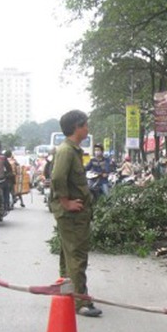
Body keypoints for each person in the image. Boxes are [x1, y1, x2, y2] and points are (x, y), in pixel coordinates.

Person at [50, 110, 102, 317]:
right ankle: (80, 302)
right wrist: (66, 202)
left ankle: (68, 293)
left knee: (68, 255)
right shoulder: (66, 151)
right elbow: (57, 178)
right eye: (85, 125)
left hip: (75, 214)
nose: (87, 129)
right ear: (76, 127)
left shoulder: (73, 150)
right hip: (72, 215)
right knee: (77, 256)